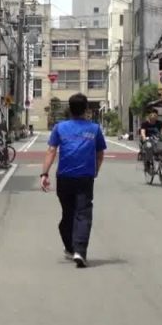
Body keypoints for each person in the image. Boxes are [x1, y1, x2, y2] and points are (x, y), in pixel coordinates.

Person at [40, 93, 107, 268]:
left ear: (69, 109)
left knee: (68, 214)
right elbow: (100, 155)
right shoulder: (94, 129)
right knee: (83, 214)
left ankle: (71, 248)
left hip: (64, 177)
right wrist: (95, 171)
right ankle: (79, 251)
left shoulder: (60, 128)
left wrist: (44, 174)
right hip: (85, 178)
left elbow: (51, 151)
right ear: (86, 109)